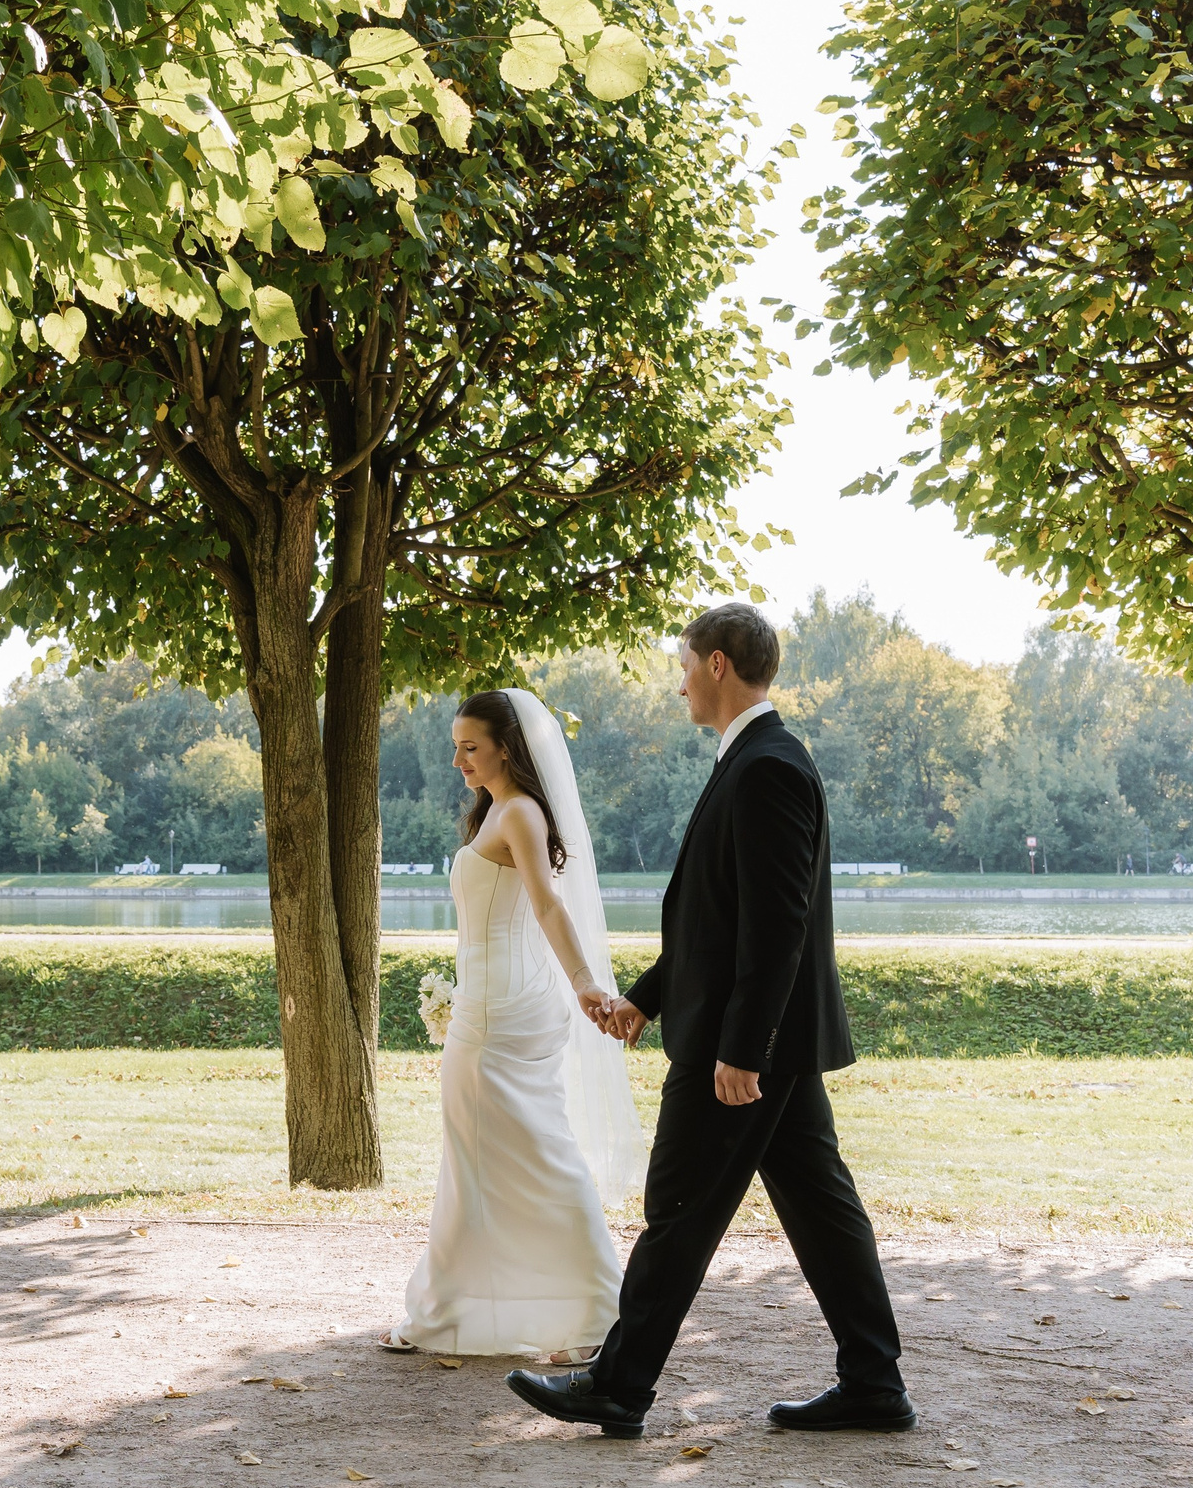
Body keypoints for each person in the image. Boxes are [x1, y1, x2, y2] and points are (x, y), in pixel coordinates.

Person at [506, 603, 914, 1437]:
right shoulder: (753, 759)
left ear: (719, 664)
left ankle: (619, 1384)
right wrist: (644, 1000)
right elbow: (715, 926)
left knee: (679, 1207)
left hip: (744, 1051)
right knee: (822, 1209)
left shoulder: (768, 767)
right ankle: (874, 1380)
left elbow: (777, 928)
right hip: (760, 1044)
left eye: (684, 662)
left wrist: (742, 1048)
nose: (679, 678)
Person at [378, 688, 647, 1362]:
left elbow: (549, 907)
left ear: (507, 747)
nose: (458, 759)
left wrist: (586, 982)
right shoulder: (499, 810)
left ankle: (598, 1312)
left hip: (499, 1015)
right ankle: (457, 1307)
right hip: (490, 1002)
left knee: (526, 1157)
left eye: (471, 746)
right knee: (483, 1160)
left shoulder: (520, 812)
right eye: (456, 745)